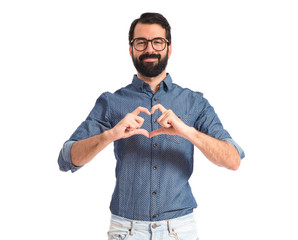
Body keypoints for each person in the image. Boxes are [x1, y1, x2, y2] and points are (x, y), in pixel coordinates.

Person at [58, 12, 245, 240]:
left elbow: (233, 159)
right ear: (131, 49)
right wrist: (110, 135)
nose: (150, 49)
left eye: (158, 42)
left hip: (179, 230)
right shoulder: (111, 102)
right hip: (126, 231)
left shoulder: (195, 103)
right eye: (141, 42)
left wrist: (187, 131)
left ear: (169, 48)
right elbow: (68, 158)